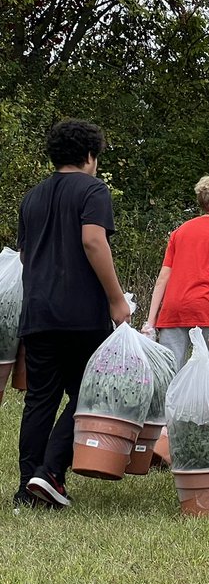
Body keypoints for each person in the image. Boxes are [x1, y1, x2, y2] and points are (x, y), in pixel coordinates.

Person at [15, 120, 131, 510]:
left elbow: (26, 257)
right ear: (90, 155)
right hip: (81, 313)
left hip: (37, 312)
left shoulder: (32, 198)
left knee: (40, 399)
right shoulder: (93, 190)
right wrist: (116, 299)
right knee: (91, 394)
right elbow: (93, 241)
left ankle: (27, 488)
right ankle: (50, 473)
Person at [141, 175, 209, 371]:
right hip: (207, 311)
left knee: (169, 372)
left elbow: (163, 278)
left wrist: (150, 322)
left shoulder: (180, 232)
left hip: (173, 310)